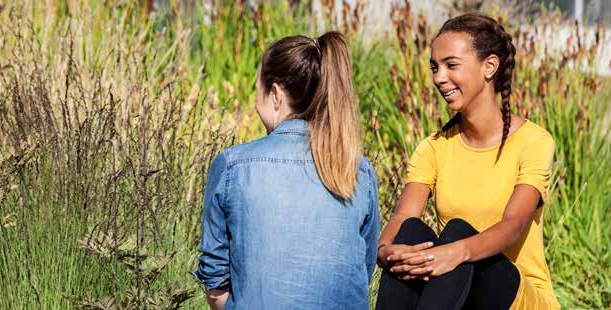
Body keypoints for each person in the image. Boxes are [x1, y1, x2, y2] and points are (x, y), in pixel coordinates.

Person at [375, 13, 560, 309]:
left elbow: (513, 226)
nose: (439, 78)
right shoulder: (433, 147)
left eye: (451, 65)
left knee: (458, 232)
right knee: (409, 234)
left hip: (518, 296)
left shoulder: (533, 142)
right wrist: (386, 252)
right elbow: (401, 218)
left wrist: (455, 252)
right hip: (458, 292)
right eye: (435, 68)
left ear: (489, 66)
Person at [194, 31, 379, 310]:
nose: (256, 101)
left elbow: (215, 280)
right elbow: (360, 270)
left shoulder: (233, 166)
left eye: (258, 89)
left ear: (276, 94)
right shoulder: (360, 171)